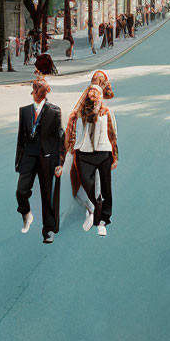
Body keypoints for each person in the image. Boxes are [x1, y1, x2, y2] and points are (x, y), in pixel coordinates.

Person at [15, 79, 64, 244]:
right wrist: (18, 161)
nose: (36, 94)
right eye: (35, 91)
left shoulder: (54, 111)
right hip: (28, 157)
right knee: (21, 191)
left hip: (47, 158)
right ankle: (26, 212)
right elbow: (20, 138)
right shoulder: (24, 111)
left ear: (45, 92)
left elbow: (59, 138)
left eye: (39, 91)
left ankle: (49, 230)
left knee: (46, 195)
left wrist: (59, 162)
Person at [65, 83, 117, 236]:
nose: (93, 94)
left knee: (106, 187)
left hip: (103, 152)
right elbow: (74, 130)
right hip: (84, 153)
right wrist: (73, 146)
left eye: (96, 92)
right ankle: (95, 208)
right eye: (91, 92)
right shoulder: (81, 112)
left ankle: (103, 220)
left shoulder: (106, 112)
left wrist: (115, 156)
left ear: (101, 95)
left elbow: (113, 134)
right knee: (88, 184)